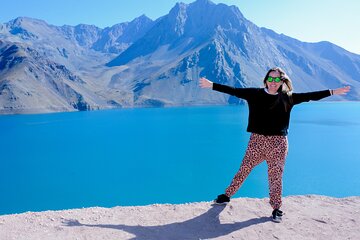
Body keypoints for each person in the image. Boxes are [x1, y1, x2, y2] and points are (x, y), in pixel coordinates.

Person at [199, 67, 350, 222]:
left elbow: (310, 96)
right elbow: (234, 91)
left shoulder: (288, 98)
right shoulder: (255, 94)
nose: (273, 82)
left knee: (275, 177)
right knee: (244, 169)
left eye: (277, 79)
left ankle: (276, 208)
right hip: (257, 141)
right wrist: (212, 85)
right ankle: (226, 196)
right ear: (265, 80)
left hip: (278, 143)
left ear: (282, 81)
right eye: (270, 79)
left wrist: (332, 92)